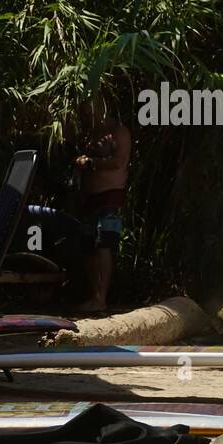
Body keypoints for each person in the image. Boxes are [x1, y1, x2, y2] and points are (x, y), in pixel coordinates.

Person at [73, 100, 132, 313]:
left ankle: (101, 298)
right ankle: (93, 296)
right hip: (90, 197)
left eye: (89, 110)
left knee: (103, 244)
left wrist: (91, 163)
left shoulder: (118, 131)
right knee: (88, 246)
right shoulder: (90, 133)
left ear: (101, 105)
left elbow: (118, 162)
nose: (86, 115)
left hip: (111, 196)